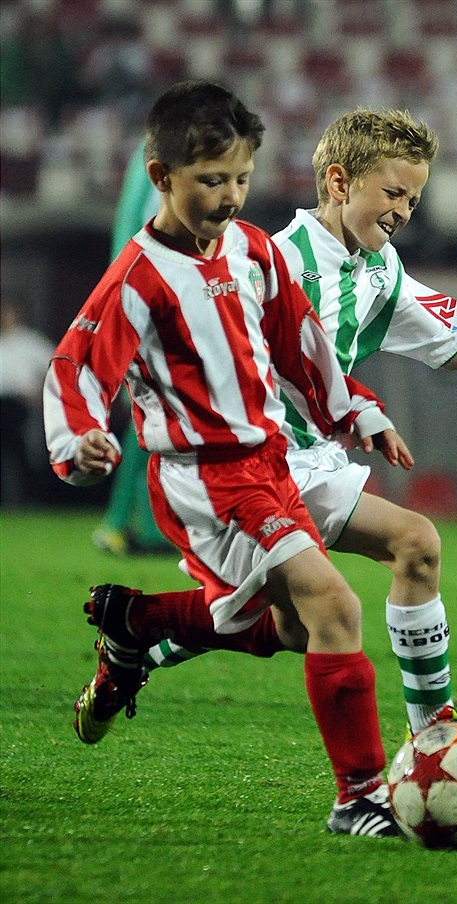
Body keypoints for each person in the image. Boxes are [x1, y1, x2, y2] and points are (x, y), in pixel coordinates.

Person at [72, 108, 457, 746]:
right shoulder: (273, 260)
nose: (404, 211)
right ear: (339, 182)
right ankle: (138, 630)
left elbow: (448, 344)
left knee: (402, 555)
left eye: (413, 199)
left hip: (312, 463)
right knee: (312, 613)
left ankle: (430, 731)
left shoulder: (382, 270)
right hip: (252, 468)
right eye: (393, 193)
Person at [44, 80, 418, 838]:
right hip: (203, 480)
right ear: (162, 176)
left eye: (242, 178)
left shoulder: (251, 249)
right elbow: (76, 368)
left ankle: (137, 622)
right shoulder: (140, 277)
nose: (230, 196)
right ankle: (359, 798)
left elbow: (301, 341)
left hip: (269, 466)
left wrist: (355, 409)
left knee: (296, 629)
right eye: (212, 180)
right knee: (337, 608)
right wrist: (76, 443)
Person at [91, 140, 172, 556]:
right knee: (155, 414)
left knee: (159, 415)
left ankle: (147, 528)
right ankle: (118, 522)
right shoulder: (155, 152)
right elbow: (131, 226)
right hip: (147, 300)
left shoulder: (161, 151)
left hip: (157, 297)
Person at [0, 298, 56, 505]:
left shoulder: (29, 341)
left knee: (24, 453)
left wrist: (41, 393)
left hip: (19, 406)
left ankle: (28, 499)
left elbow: (55, 365)